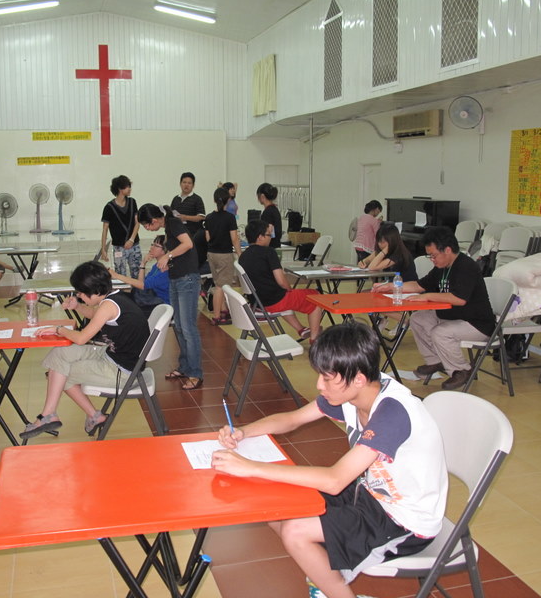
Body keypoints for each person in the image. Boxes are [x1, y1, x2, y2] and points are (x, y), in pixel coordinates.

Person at [211, 321, 448, 598]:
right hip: (370, 494)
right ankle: (323, 576)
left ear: (358, 379)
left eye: (326, 378)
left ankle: (334, 590)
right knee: (277, 505)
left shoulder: (392, 413)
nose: (318, 385)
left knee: (295, 531)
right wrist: (243, 432)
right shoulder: (356, 389)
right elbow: (293, 419)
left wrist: (251, 468)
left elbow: (335, 480)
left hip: (404, 520)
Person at [21, 261, 150, 439]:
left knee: (59, 374)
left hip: (122, 372)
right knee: (60, 354)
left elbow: (82, 338)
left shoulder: (108, 306)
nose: (79, 295)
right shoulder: (115, 298)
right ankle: (76, 416)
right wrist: (77, 306)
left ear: (94, 290)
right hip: (114, 356)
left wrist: (58, 330)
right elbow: (95, 315)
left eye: (81, 292)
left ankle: (50, 416)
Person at [372, 226, 495, 390]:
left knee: (440, 332)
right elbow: (419, 285)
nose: (432, 260)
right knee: (418, 318)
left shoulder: (466, 267)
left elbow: (459, 299)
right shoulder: (441, 268)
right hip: (453, 317)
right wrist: (391, 286)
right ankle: (435, 361)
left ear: (447, 250)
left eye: (434, 255)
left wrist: (427, 296)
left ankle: (462, 370)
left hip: (477, 324)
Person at [138, 203, 204, 390]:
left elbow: (188, 244)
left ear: (154, 220)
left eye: (147, 225)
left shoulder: (173, 223)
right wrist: (169, 260)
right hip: (176, 279)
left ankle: (195, 373)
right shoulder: (168, 227)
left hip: (187, 279)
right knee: (180, 327)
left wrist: (168, 256)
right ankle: (185, 367)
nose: (147, 229)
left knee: (188, 328)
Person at [239, 220, 323, 342]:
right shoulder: (269, 252)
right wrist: (290, 289)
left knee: (283, 296)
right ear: (260, 237)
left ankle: (301, 329)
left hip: (256, 302)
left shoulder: (243, 256)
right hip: (273, 301)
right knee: (315, 297)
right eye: (269, 235)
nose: (271, 238)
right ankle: (315, 340)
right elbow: (281, 281)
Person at [108, 235, 170, 316]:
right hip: (147, 298)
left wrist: (117, 276)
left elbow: (143, 285)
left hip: (158, 304)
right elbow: (141, 283)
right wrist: (143, 263)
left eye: (156, 246)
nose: (151, 247)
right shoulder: (156, 266)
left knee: (121, 305)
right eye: (152, 244)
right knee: (116, 297)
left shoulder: (165, 270)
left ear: (164, 250)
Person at [205, 187, 241, 325]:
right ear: (228, 200)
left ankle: (224, 309)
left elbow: (208, 238)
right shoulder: (230, 218)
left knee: (218, 283)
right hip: (224, 255)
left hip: (211, 254)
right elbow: (234, 239)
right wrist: (240, 254)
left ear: (214, 200)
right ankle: (217, 316)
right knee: (221, 286)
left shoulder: (209, 217)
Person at [100, 175, 141, 278]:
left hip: (134, 244)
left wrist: (131, 239)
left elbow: (137, 223)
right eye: (127, 186)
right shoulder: (109, 207)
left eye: (130, 186)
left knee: (137, 273)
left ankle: (137, 290)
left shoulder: (132, 202)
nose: (129, 189)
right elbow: (105, 229)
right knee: (120, 275)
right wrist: (103, 249)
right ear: (120, 188)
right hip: (119, 247)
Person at [170, 172, 206, 238]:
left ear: (193, 185)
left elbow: (201, 217)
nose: (186, 185)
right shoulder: (175, 199)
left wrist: (185, 217)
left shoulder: (197, 199)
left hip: (193, 235)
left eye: (189, 183)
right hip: (177, 235)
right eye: (184, 182)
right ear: (180, 184)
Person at [257, 182, 282, 249]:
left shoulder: (268, 212)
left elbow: (267, 233)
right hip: (275, 246)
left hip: (270, 247)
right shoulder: (274, 209)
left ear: (262, 196)